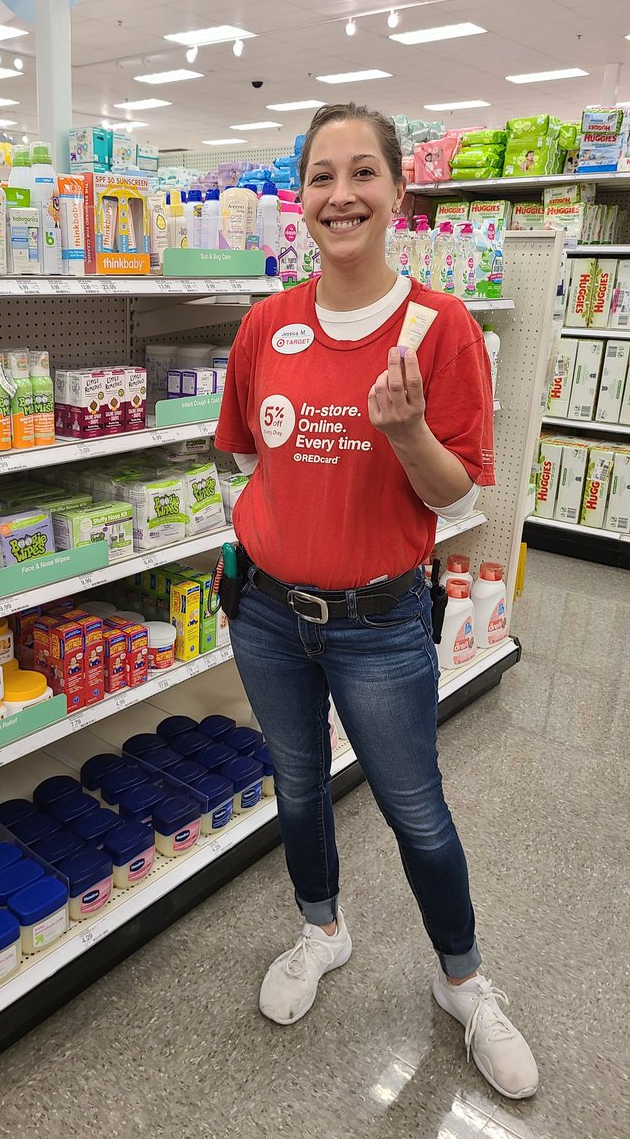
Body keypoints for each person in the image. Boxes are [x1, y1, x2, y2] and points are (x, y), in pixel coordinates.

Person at [214, 102, 537, 1101]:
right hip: (266, 613)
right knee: (299, 787)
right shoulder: (266, 322)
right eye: (320, 177)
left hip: (380, 625)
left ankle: (466, 984)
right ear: (299, 199)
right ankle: (322, 929)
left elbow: (460, 495)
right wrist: (272, 525)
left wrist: (401, 434)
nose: (340, 195)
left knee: (416, 812)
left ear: (399, 191)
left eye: (362, 174)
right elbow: (237, 447)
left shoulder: (441, 331)